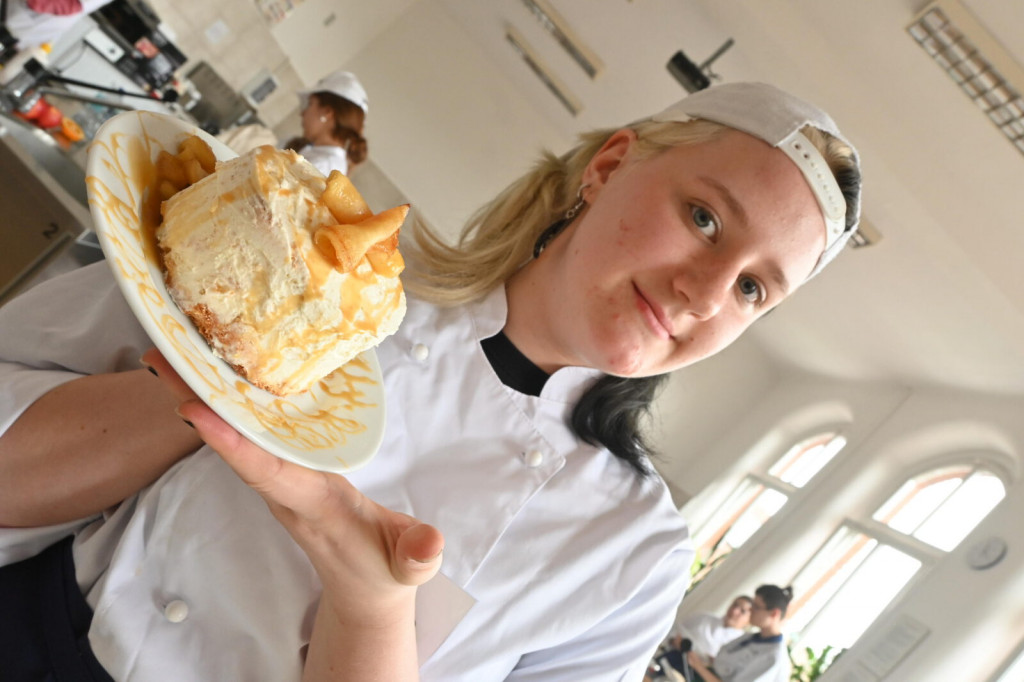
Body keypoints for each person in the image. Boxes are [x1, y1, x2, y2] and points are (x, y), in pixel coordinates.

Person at [0, 81, 862, 680]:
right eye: (704, 218)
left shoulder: (633, 555)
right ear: (609, 167)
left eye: (753, 288)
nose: (703, 293)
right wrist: (225, 388)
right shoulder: (309, 266)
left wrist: (370, 607)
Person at [686, 585, 794, 682]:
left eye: (756, 607)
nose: (750, 611)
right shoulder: (751, 638)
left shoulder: (773, 657)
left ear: (774, 614)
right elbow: (725, 666)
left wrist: (697, 665)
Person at [283, 69, 369, 176]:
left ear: (327, 112)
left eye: (310, 104)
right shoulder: (320, 156)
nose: (303, 113)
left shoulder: (322, 165)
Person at [673, 594, 753, 662]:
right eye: (735, 605)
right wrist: (673, 640)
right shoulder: (702, 617)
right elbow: (673, 629)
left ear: (750, 620)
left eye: (742, 611)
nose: (734, 610)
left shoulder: (739, 644)